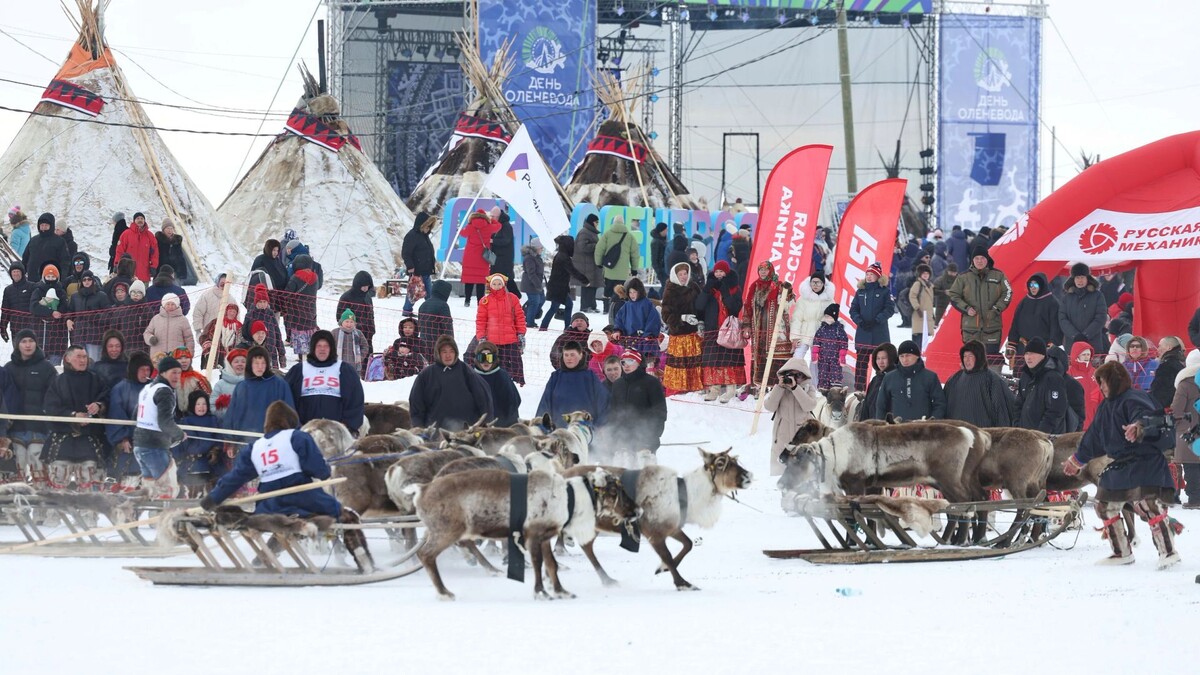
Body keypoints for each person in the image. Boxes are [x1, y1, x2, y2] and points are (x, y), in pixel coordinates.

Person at [201, 401, 374, 573]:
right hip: (305, 499)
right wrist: (325, 468)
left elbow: (235, 478)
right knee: (349, 517)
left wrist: (212, 499)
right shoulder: (297, 437)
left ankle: (260, 562)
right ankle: (365, 563)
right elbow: (320, 471)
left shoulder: (255, 447)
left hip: (268, 505)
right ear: (291, 421)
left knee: (285, 524)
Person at [1062, 362, 1180, 567]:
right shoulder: (1105, 407)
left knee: (1148, 504)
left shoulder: (1134, 398)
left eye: (1105, 382)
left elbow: (1147, 417)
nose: (1102, 387)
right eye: (1099, 382)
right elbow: (1093, 438)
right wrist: (1077, 460)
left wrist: (1138, 427)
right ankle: (1121, 552)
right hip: (1121, 464)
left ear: (1116, 380)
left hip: (1146, 460)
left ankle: (1168, 552)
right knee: (1104, 506)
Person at [43, 345, 110, 490]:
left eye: (84, 357)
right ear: (67, 358)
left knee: (89, 488)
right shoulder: (58, 381)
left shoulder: (96, 379)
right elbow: (50, 407)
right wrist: (72, 416)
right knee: (57, 486)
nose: (82, 360)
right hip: (63, 441)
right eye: (78, 357)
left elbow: (107, 398)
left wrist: (99, 405)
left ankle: (88, 513)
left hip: (89, 441)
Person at [284, 329, 365, 433]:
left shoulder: (344, 370)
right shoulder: (299, 370)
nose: (322, 349)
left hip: (336, 434)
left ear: (331, 348)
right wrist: (296, 426)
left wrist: (346, 426)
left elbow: (356, 400)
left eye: (326, 346)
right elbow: (286, 400)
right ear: (313, 348)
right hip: (304, 432)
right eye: (319, 346)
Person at [409, 335, 493, 431]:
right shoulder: (426, 375)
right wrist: (419, 427)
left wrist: (485, 424)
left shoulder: (467, 372)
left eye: (451, 351)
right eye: (444, 352)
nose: (448, 355)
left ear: (456, 353)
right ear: (438, 353)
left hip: (466, 431)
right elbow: (416, 405)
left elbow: (484, 398)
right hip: (436, 432)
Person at [130, 355, 185, 498]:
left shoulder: (148, 388)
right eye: (173, 372)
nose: (177, 376)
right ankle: (163, 520)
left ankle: (151, 520)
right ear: (162, 373)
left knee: (152, 491)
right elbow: (165, 422)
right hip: (155, 448)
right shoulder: (165, 392)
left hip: (140, 446)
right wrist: (179, 434)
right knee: (167, 490)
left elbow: (135, 415)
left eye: (179, 372)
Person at [5, 330, 55, 485]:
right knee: (17, 472)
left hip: (39, 428)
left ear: (36, 343)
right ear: (17, 345)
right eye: (24, 341)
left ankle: (43, 507)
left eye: (31, 341)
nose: (28, 345)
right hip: (15, 429)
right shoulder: (8, 368)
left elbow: (55, 394)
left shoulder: (47, 368)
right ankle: (15, 508)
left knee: (39, 471)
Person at [947, 247, 1012, 362]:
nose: (979, 261)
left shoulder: (999, 275)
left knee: (990, 362)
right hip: (971, 330)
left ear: (987, 259)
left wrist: (996, 309)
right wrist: (966, 309)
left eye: (982, 258)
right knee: (972, 361)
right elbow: (953, 295)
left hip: (992, 329)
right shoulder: (963, 277)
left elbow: (1008, 293)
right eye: (976, 258)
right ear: (972, 260)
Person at [695, 261, 745, 403]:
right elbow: (699, 306)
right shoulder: (710, 288)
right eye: (716, 271)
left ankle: (730, 390)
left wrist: (725, 292)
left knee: (729, 360)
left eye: (721, 272)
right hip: (712, 329)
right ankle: (714, 389)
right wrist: (706, 290)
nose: (718, 274)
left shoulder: (735, 288)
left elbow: (735, 308)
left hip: (729, 329)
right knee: (713, 360)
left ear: (727, 272)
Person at [104, 350, 154, 492]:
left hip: (150, 445)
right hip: (128, 447)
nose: (146, 373)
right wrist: (122, 438)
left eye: (148, 369)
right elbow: (116, 414)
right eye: (142, 369)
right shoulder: (120, 389)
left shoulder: (153, 389)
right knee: (127, 488)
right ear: (134, 370)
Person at [741, 261, 792, 396]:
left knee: (774, 354)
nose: (763, 272)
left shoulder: (778, 285)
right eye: (761, 270)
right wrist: (746, 324)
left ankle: (776, 385)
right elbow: (747, 306)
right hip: (758, 326)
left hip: (774, 326)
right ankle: (758, 384)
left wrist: (788, 289)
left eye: (765, 270)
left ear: (771, 271)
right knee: (759, 354)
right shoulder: (754, 286)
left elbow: (789, 298)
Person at [607, 349, 667, 462]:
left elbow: (660, 412)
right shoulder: (617, 384)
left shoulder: (652, 382)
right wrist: (613, 437)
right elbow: (613, 413)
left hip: (645, 440)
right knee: (623, 476)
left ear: (639, 363)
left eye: (630, 361)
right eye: (623, 362)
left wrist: (652, 437)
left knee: (645, 476)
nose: (626, 365)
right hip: (622, 441)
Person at [224, 345, 295, 437]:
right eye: (256, 363)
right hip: (246, 440)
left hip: (273, 439)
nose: (260, 367)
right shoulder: (242, 387)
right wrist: (229, 440)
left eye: (263, 363)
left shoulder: (279, 384)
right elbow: (233, 415)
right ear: (250, 364)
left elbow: (290, 413)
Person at [764, 357, 819, 476]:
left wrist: (795, 388)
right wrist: (779, 388)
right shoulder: (779, 389)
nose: (793, 378)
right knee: (781, 473)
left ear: (804, 376)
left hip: (803, 436)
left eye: (798, 375)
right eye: (790, 374)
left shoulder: (809, 388)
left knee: (804, 474)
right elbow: (769, 407)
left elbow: (809, 406)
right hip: (782, 435)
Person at [944, 340, 1015, 428]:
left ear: (979, 357)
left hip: (984, 435)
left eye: (970, 356)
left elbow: (1001, 410)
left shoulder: (991, 379)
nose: (967, 360)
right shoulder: (954, 379)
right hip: (958, 435)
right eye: (964, 356)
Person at [537, 340, 609, 424]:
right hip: (559, 430)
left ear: (580, 355)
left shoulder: (590, 377)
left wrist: (600, 427)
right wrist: (541, 426)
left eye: (572, 355)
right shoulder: (555, 377)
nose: (569, 358)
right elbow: (545, 404)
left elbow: (603, 404)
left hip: (584, 429)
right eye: (566, 355)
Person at [849, 261, 894, 391]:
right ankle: (859, 390)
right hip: (863, 333)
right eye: (867, 274)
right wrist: (860, 321)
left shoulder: (885, 292)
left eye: (871, 274)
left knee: (880, 364)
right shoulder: (860, 292)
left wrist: (877, 320)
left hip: (879, 334)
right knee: (861, 364)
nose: (868, 277)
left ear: (878, 276)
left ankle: (880, 389)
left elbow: (889, 309)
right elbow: (853, 309)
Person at [874, 340, 945, 421]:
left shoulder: (930, 377)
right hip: (897, 430)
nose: (905, 360)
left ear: (917, 356)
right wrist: (882, 426)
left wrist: (933, 421)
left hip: (924, 429)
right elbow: (881, 405)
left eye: (908, 355)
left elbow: (940, 403)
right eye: (901, 356)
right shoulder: (889, 378)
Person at [661, 261, 704, 395]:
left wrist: (701, 322)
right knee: (679, 365)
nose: (684, 276)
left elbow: (702, 306)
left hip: (693, 334)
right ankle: (678, 389)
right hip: (678, 335)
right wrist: (682, 318)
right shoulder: (670, 290)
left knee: (695, 362)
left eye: (685, 273)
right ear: (675, 275)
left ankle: (695, 388)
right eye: (680, 274)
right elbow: (665, 315)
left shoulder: (694, 287)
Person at [476, 273, 526, 385]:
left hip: (511, 339)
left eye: (499, 283)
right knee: (498, 363)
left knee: (515, 363)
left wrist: (521, 333)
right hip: (492, 341)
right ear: (490, 285)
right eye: (494, 283)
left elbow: (519, 317)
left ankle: (519, 384)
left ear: (503, 284)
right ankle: (497, 383)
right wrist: (481, 337)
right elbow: (481, 321)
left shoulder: (512, 298)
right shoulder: (485, 301)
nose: (497, 286)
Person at [1008, 272, 1063, 372]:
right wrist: (1012, 344)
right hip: (1023, 349)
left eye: (1036, 285)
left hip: (1042, 350)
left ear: (1042, 285)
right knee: (1021, 376)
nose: (1032, 288)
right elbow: (1015, 324)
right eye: (1031, 285)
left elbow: (1056, 327)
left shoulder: (1052, 303)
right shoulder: (1024, 301)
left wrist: (1051, 345)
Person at [1015, 337, 1070, 433]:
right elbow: (1018, 405)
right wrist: (1017, 426)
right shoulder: (1025, 376)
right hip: (1024, 437)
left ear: (1043, 356)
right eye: (1026, 354)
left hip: (1047, 439)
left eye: (1032, 353)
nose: (1028, 357)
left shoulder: (1053, 378)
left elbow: (1056, 410)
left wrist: (1042, 432)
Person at [174, 391, 221, 497]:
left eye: (204, 404)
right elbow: (183, 445)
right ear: (192, 405)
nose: (201, 407)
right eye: (198, 404)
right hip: (189, 466)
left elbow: (218, 439)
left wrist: (216, 450)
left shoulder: (213, 420)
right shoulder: (185, 421)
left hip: (208, 466)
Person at [1169, 351, 1200, 508]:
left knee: (1191, 466)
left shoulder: (1185, 384)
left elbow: (1176, 410)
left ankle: (1195, 499)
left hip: (1189, 431)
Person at [541, 235, 590, 331]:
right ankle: (567, 327)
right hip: (558, 288)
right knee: (565, 305)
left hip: (557, 287)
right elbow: (573, 271)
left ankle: (545, 326)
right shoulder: (564, 257)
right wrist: (585, 280)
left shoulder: (560, 255)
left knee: (555, 307)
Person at [1059, 263, 1108, 354]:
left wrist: (1086, 335)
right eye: (1077, 277)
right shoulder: (1067, 297)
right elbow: (1062, 319)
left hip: (1093, 345)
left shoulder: (1097, 295)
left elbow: (1101, 317)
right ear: (1073, 279)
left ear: (1087, 278)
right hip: (1071, 346)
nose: (1079, 280)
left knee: (1093, 368)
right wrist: (1075, 335)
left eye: (1082, 277)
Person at [594, 215, 640, 313]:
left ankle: (606, 309)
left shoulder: (607, 234)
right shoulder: (629, 236)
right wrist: (634, 268)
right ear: (623, 223)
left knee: (608, 289)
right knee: (621, 290)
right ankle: (618, 308)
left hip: (610, 268)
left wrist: (598, 263)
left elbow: (599, 249)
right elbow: (635, 254)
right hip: (622, 271)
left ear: (614, 223)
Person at [61, 270, 109, 361]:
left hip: (95, 337)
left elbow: (108, 315)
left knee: (93, 364)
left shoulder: (101, 296)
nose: (87, 281)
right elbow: (69, 311)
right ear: (81, 282)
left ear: (93, 281)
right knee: (78, 364)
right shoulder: (75, 296)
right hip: (78, 336)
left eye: (89, 279)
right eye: (84, 280)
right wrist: (68, 319)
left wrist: (94, 316)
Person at [613, 277, 661, 362]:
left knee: (646, 364)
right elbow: (619, 319)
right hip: (630, 341)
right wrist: (618, 330)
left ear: (640, 292)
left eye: (634, 292)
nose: (632, 295)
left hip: (645, 341)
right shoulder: (627, 305)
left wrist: (649, 334)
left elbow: (653, 320)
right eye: (630, 292)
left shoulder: (647, 304)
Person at [473, 341, 521, 426]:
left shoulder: (502, 376)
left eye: (489, 358)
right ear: (477, 359)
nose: (486, 361)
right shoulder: (471, 376)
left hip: (500, 426)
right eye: (482, 358)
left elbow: (514, 402)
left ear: (494, 359)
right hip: (476, 425)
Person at [29, 263, 67, 365]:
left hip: (57, 335)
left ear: (57, 277)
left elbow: (65, 306)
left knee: (55, 367)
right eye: (48, 276)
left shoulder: (61, 291)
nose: (50, 278)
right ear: (44, 277)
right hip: (41, 333)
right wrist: (50, 312)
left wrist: (58, 311)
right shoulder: (38, 290)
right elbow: (33, 306)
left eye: (53, 276)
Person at [789, 273, 833, 361]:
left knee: (817, 363)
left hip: (820, 336)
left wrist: (828, 337)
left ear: (823, 284)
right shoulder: (803, 299)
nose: (815, 285)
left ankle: (815, 375)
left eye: (818, 282)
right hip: (803, 334)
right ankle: (793, 374)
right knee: (796, 360)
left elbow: (832, 320)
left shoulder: (829, 300)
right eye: (813, 282)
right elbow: (796, 319)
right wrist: (795, 337)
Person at [241, 285, 286, 370]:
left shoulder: (270, 314)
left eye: (264, 302)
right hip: (255, 352)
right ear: (256, 302)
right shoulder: (250, 315)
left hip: (271, 353)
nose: (262, 304)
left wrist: (281, 354)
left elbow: (277, 333)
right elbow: (245, 334)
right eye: (260, 302)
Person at [282, 255, 320, 355]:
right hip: (311, 311)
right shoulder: (315, 277)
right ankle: (309, 354)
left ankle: (302, 357)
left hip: (297, 312)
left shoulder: (296, 277)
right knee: (309, 333)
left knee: (300, 334)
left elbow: (287, 293)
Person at [461, 208, 498, 306]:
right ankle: (480, 301)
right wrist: (492, 219)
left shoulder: (470, 226)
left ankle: (467, 301)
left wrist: (467, 226)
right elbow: (499, 226)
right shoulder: (489, 226)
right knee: (480, 281)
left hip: (469, 257)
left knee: (469, 280)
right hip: (482, 258)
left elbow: (463, 233)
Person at [402, 213, 437, 317]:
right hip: (416, 270)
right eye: (427, 226)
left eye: (430, 226)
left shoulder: (424, 236)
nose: (429, 229)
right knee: (414, 291)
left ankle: (430, 311)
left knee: (427, 293)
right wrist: (410, 267)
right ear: (422, 225)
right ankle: (407, 310)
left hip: (425, 270)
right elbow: (406, 253)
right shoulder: (412, 236)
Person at [21, 213, 70, 284]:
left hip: (51, 280)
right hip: (32, 280)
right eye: (42, 225)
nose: (43, 227)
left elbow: (65, 262)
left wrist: (61, 278)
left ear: (51, 226)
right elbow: (25, 259)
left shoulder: (59, 241)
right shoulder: (33, 240)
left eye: (46, 225)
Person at [812, 303, 849, 390]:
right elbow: (816, 341)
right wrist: (815, 354)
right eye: (826, 316)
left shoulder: (839, 330)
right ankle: (823, 389)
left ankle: (835, 391)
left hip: (835, 359)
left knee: (835, 374)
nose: (827, 318)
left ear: (834, 317)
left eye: (829, 316)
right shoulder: (821, 329)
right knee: (822, 374)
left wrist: (842, 356)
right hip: (823, 358)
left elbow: (844, 343)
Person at [113, 212, 158, 282]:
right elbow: (120, 251)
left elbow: (154, 253)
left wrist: (153, 266)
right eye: (138, 218)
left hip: (144, 274)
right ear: (134, 221)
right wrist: (117, 264)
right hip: (128, 274)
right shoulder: (126, 234)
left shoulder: (150, 236)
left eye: (142, 218)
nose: (140, 220)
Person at [857, 343, 898, 421]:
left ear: (891, 358)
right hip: (872, 427)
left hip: (889, 428)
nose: (880, 362)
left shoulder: (897, 379)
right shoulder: (875, 380)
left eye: (884, 358)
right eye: (878, 358)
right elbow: (866, 406)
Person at [1067, 340, 1102, 428]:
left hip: (1094, 410)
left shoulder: (1094, 371)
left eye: (1088, 354)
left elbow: (1101, 390)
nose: (1086, 357)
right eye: (1083, 354)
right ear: (1076, 355)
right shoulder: (1069, 372)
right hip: (1077, 410)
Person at [573, 213, 603, 313]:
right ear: (591, 222)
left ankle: (592, 305)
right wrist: (597, 245)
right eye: (596, 222)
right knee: (588, 286)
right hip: (585, 264)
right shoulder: (584, 232)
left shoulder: (590, 232)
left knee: (593, 285)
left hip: (590, 263)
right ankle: (585, 306)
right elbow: (583, 246)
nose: (597, 224)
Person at [418, 279, 453, 363]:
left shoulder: (424, 304)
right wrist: (451, 343)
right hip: (439, 344)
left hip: (424, 342)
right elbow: (447, 326)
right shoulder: (443, 305)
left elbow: (419, 324)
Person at [1, 262, 34, 351]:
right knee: (18, 354)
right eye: (13, 272)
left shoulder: (31, 286)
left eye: (17, 271)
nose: (15, 274)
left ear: (22, 273)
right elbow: (5, 311)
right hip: (15, 328)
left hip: (31, 328)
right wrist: (3, 328)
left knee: (30, 354)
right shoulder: (8, 290)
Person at [198, 302, 242, 367]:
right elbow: (204, 335)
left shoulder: (239, 327)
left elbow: (241, 342)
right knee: (214, 374)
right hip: (216, 353)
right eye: (230, 311)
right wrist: (207, 344)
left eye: (234, 312)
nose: (232, 313)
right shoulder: (216, 322)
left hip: (231, 357)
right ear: (226, 311)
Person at [1149, 336, 1186, 410]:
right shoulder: (1181, 363)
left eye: (1159, 346)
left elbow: (1158, 392)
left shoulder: (1166, 366)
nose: (1158, 349)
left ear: (1169, 348)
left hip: (1168, 409)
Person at [211, 346, 246, 420]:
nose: (240, 364)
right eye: (236, 361)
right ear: (230, 365)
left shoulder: (253, 384)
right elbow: (212, 407)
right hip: (226, 427)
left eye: (243, 361)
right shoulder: (220, 385)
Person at [333, 310, 371, 376]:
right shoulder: (335, 333)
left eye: (351, 322)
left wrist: (360, 357)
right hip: (338, 366)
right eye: (347, 321)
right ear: (341, 322)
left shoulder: (358, 333)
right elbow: (329, 346)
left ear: (354, 323)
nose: (349, 324)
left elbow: (365, 346)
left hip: (354, 366)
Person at [520, 238, 546, 327]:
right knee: (535, 302)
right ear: (536, 248)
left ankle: (525, 314)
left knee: (541, 299)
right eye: (541, 248)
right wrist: (538, 285)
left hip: (536, 284)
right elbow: (531, 273)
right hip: (530, 284)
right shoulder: (529, 258)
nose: (542, 249)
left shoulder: (536, 257)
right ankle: (530, 322)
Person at [907, 264, 935, 344]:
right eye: (924, 273)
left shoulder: (929, 285)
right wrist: (917, 308)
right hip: (919, 314)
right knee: (919, 338)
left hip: (927, 315)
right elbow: (912, 296)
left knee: (926, 339)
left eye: (927, 273)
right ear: (920, 274)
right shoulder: (918, 284)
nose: (926, 275)